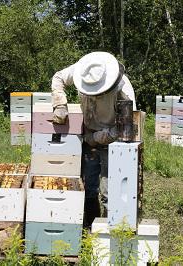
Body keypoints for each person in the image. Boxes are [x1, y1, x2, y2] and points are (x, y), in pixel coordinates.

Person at [51, 51, 136, 226]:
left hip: (114, 144)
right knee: (88, 188)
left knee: (108, 192)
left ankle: (109, 230)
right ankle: (91, 228)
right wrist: (60, 104)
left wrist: (96, 138)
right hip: (89, 140)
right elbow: (58, 77)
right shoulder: (83, 70)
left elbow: (127, 127)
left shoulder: (123, 88)